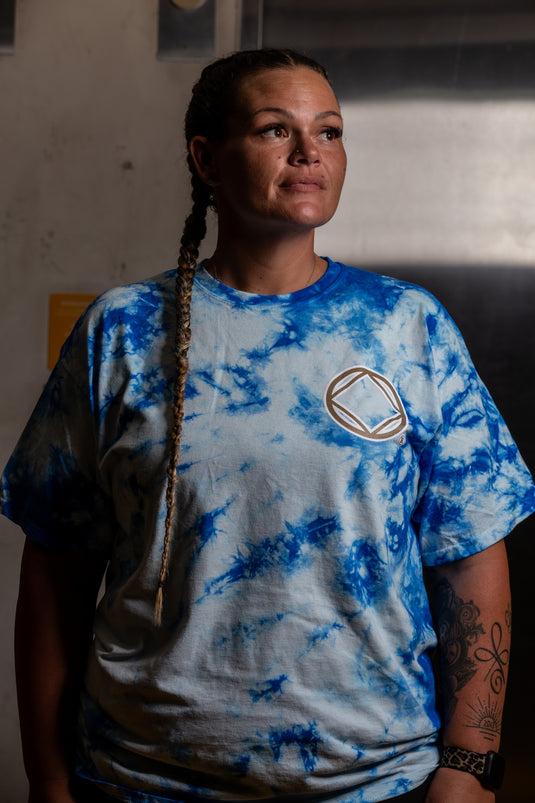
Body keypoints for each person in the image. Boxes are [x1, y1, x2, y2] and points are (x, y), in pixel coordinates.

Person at [1, 48, 534, 803]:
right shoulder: (121, 332)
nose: (309, 151)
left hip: (374, 778)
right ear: (206, 159)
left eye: (329, 131)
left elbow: (471, 557)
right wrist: (49, 780)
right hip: (141, 777)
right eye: (275, 129)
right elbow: (55, 574)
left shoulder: (406, 325)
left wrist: (471, 760)